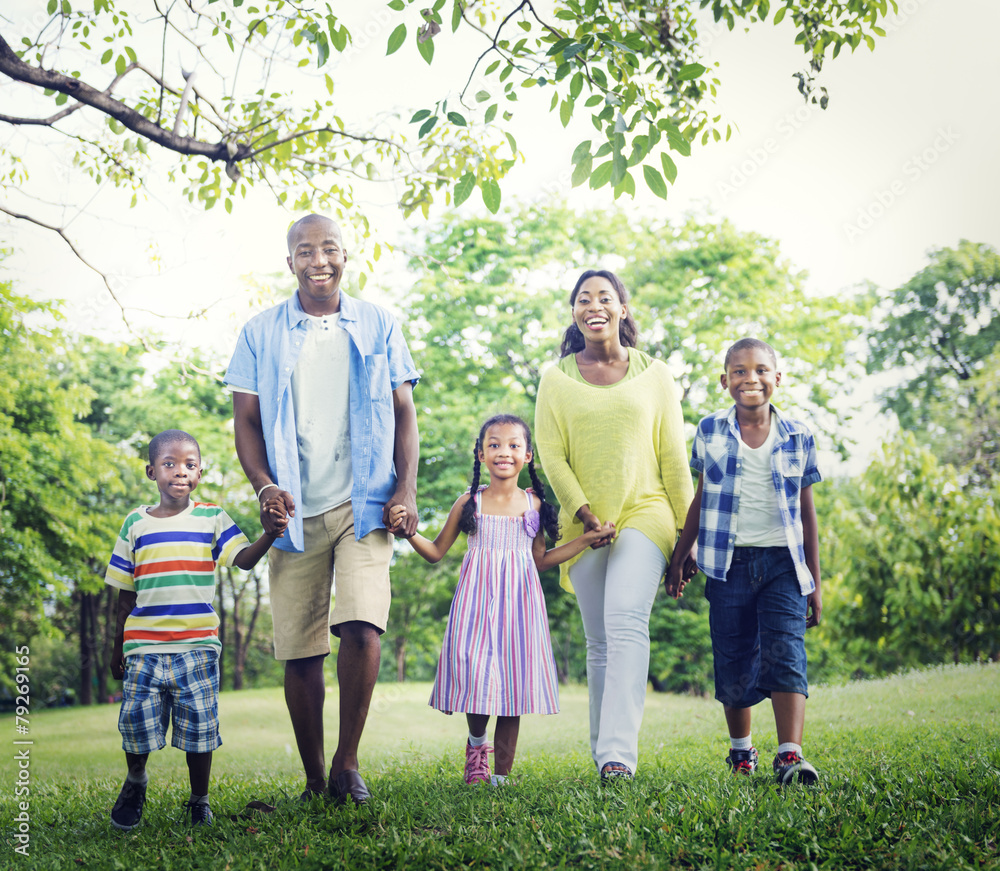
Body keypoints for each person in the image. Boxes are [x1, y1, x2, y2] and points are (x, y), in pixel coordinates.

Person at [224, 214, 419, 805]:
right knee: (301, 645)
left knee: (362, 624)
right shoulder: (260, 332)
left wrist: (405, 490)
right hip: (294, 507)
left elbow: (405, 415)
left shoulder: (381, 323)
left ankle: (346, 765)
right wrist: (263, 487)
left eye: (329, 249)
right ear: (290, 263)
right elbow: (247, 422)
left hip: (366, 501)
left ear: (345, 256)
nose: (319, 261)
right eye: (305, 252)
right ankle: (313, 780)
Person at [388, 414, 614, 786]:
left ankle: (502, 777)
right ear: (480, 454)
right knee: (477, 680)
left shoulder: (535, 505)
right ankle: (477, 750)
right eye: (494, 445)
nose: (503, 452)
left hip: (520, 606)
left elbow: (540, 559)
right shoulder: (468, 503)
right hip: (475, 604)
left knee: (513, 685)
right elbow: (434, 552)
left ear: (528, 457)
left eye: (513, 445)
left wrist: (586, 541)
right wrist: (406, 532)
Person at [533, 270, 694, 781]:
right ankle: (603, 750)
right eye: (584, 299)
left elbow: (674, 458)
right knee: (598, 641)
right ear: (574, 312)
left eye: (605, 297)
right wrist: (583, 515)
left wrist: (687, 539)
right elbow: (552, 457)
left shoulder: (656, 375)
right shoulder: (555, 378)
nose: (594, 305)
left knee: (626, 622)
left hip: (647, 511)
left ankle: (618, 756)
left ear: (623, 309)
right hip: (583, 523)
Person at [105, 429, 285, 831]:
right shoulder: (134, 523)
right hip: (143, 649)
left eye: (189, 465)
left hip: (198, 647)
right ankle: (136, 782)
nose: (180, 471)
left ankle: (199, 800)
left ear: (200, 472)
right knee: (136, 728)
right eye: (169, 464)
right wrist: (116, 647)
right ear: (152, 471)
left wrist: (269, 535)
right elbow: (123, 595)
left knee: (199, 730)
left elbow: (242, 560)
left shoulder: (212, 517)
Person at [665, 338, 822, 784]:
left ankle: (790, 754)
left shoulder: (799, 435)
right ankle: (741, 752)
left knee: (786, 652)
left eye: (759, 371)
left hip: (783, 565)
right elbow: (701, 498)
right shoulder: (710, 430)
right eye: (738, 371)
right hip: (726, 563)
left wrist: (815, 580)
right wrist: (681, 556)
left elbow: (807, 513)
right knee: (733, 657)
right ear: (724, 380)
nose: (749, 379)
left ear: (777, 378)